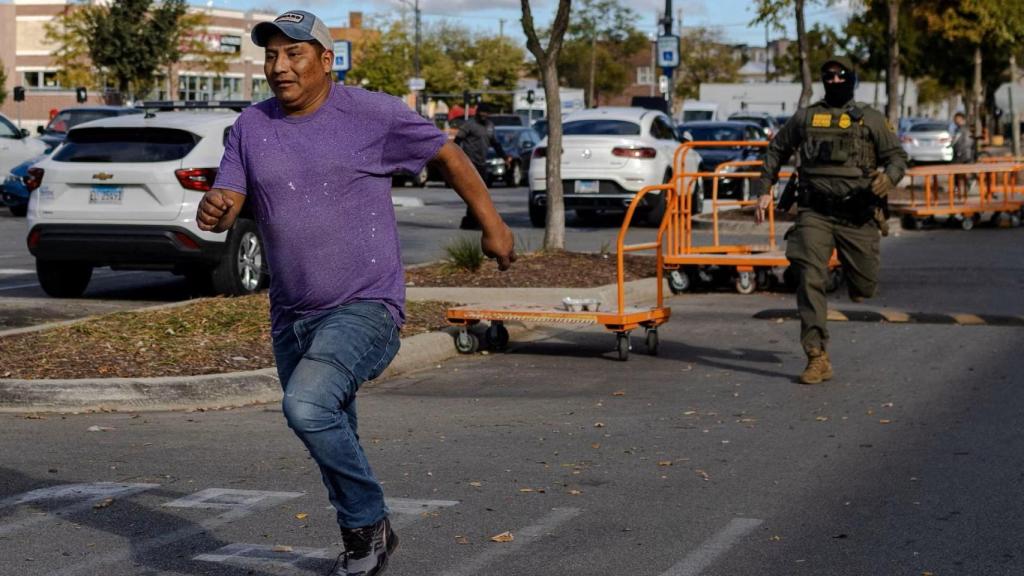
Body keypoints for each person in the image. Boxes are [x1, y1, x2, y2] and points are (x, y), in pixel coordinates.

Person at [195, 10, 516, 576]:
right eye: (271, 56)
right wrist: (215, 211)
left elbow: (446, 153)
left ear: (325, 60)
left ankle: (369, 523)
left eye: (293, 54)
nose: (279, 67)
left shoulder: (371, 113)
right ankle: (363, 542)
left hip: (366, 305)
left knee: (307, 405)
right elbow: (228, 201)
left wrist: (492, 223)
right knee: (331, 425)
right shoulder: (251, 126)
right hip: (290, 313)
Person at [755, 56, 908, 385]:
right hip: (815, 212)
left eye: (841, 76)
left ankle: (857, 282)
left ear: (852, 79)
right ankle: (816, 355)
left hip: (857, 214)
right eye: (828, 76)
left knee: (865, 285)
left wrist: (888, 178)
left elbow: (897, 157)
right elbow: (777, 149)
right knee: (809, 276)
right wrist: (764, 188)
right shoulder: (808, 117)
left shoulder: (870, 119)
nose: (835, 80)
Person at [454, 103, 511, 229]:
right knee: (473, 191)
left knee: (482, 193)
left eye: (486, 113)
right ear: (477, 113)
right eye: (482, 113)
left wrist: (505, 157)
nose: (484, 115)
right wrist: (458, 158)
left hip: (482, 163)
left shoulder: (490, 126)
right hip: (470, 163)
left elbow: (495, 144)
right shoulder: (469, 125)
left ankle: (474, 219)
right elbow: (457, 141)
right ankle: (470, 220)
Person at [951, 112, 974, 196]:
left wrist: (960, 151)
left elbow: (966, 142)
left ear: (962, 119)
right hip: (961, 153)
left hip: (962, 153)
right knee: (960, 171)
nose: (955, 121)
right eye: (955, 119)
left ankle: (966, 184)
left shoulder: (963, 129)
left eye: (957, 119)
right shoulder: (959, 129)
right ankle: (965, 185)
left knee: (958, 170)